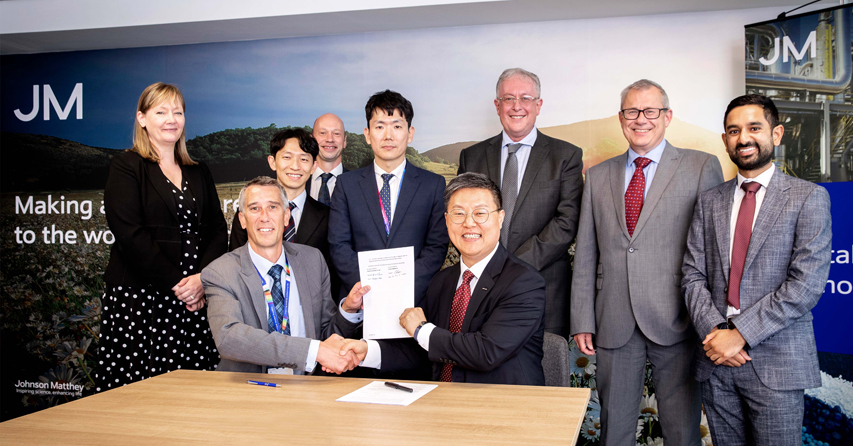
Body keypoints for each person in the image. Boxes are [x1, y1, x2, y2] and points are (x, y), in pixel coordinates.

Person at [570, 79, 724, 445]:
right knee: (614, 429)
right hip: (614, 320)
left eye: (650, 111)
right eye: (631, 111)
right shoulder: (597, 176)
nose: (641, 119)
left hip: (679, 319)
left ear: (667, 116)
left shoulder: (701, 166)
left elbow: (715, 252)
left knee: (681, 430)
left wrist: (712, 322)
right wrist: (582, 318)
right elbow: (587, 251)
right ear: (620, 118)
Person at [682, 94, 832, 446]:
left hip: (777, 362)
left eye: (754, 128)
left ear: (776, 134)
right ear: (725, 140)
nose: (743, 138)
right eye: (733, 131)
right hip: (717, 360)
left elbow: (806, 285)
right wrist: (718, 334)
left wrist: (740, 334)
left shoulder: (808, 198)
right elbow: (691, 275)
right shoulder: (710, 201)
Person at [341, 173, 546, 385]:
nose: (469, 223)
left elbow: (486, 352)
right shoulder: (442, 281)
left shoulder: (524, 282)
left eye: (480, 213)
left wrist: (421, 329)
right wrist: (368, 351)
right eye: (459, 213)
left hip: (505, 406)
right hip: (443, 403)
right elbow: (427, 349)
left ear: (500, 218)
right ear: (447, 220)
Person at [96, 82, 228, 392]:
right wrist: (181, 285)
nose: (171, 119)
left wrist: (200, 281)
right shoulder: (126, 166)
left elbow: (217, 231)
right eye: (161, 111)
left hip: (193, 302)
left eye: (178, 112)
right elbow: (130, 234)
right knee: (137, 393)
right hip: (140, 301)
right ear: (142, 118)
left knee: (190, 394)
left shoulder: (199, 171)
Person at [457, 68, 583, 339]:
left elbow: (566, 222)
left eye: (525, 98)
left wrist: (509, 265)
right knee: (480, 368)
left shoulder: (566, 156)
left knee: (543, 372)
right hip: (480, 289)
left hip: (543, 288)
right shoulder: (472, 157)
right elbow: (463, 217)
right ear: (497, 105)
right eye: (508, 99)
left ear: (538, 105)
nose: (516, 106)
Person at [203, 177, 368, 374]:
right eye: (255, 208)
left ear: (286, 216)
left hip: (306, 389)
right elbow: (229, 338)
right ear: (242, 220)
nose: (264, 217)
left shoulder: (312, 260)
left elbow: (326, 336)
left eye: (273, 207)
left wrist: (348, 310)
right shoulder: (220, 272)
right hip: (248, 392)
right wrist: (312, 351)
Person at [328, 90, 448, 308]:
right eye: (380, 126)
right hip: (361, 301)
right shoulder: (346, 185)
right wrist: (367, 289)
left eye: (397, 126)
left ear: (410, 133)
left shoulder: (433, 185)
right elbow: (339, 245)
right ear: (367, 134)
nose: (388, 136)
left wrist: (401, 289)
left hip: (413, 302)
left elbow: (436, 247)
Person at [229, 128, 343, 302]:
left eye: (303, 159)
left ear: (314, 166)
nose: (295, 166)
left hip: (310, 311)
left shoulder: (328, 216)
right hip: (258, 308)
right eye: (287, 157)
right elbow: (237, 264)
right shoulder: (250, 212)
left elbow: (331, 275)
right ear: (272, 162)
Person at [307, 113, 349, 206]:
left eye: (336, 134)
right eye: (323, 133)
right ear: (312, 139)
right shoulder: (296, 181)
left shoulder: (359, 185)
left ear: (344, 141)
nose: (330, 139)